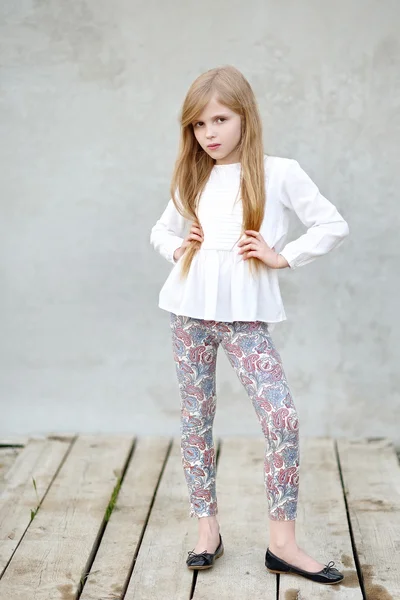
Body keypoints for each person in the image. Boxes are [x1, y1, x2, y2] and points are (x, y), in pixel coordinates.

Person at [149, 65, 349, 585]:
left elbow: (332, 224)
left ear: (245, 117)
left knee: (280, 418)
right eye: (197, 124)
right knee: (197, 418)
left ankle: (282, 543)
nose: (208, 133)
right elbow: (159, 230)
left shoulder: (279, 172)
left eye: (219, 119)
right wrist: (177, 244)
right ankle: (206, 529)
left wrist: (283, 257)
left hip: (245, 321)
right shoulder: (192, 176)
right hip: (188, 313)